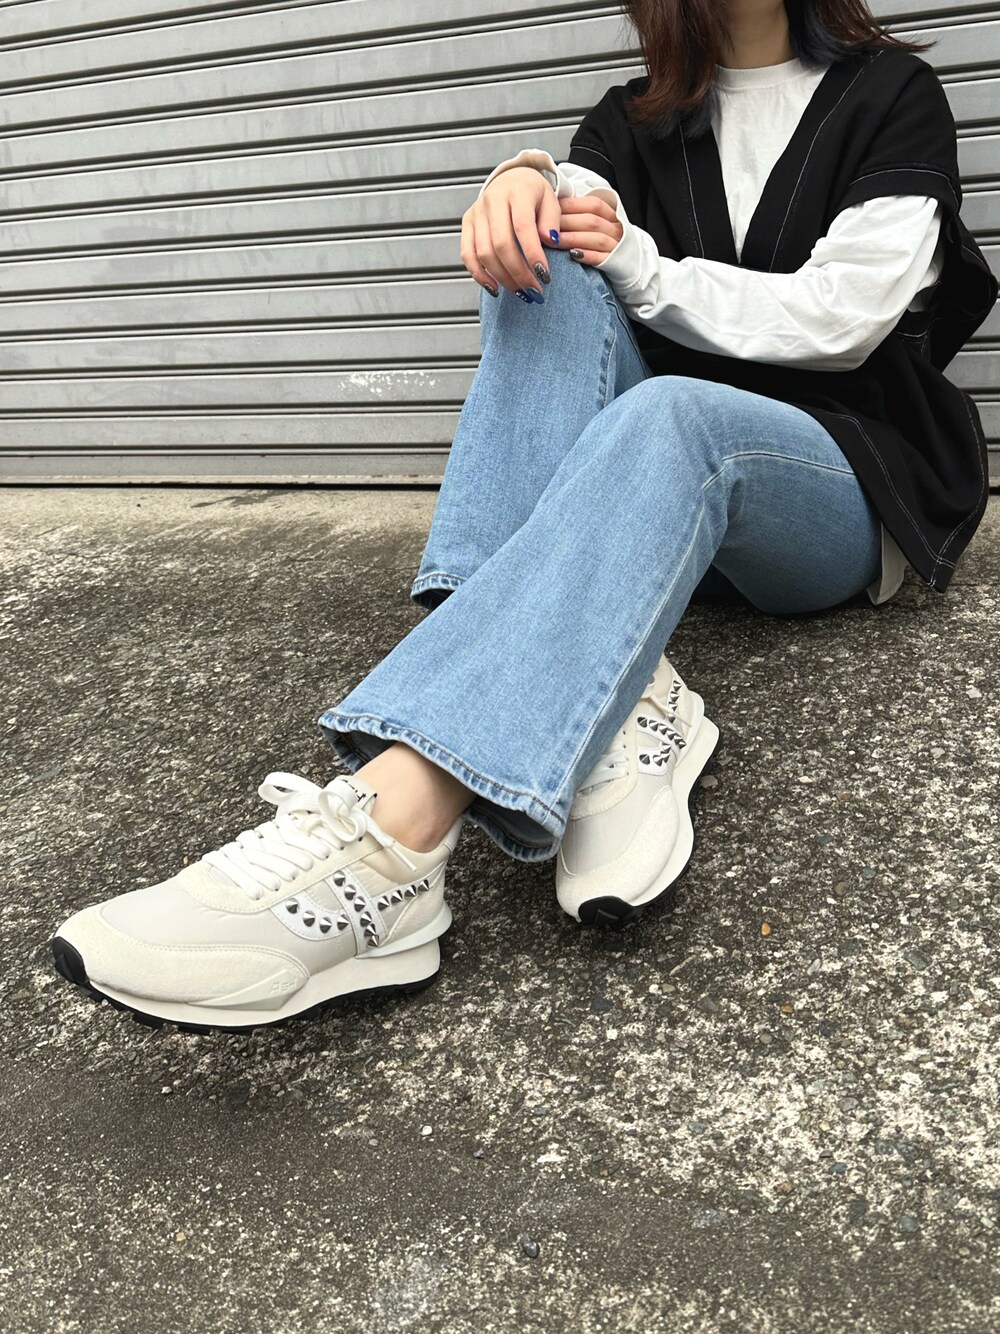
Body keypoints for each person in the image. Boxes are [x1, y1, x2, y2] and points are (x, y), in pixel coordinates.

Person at [50, 0, 997, 1033]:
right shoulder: (632, 119)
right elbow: (572, 200)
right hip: (647, 518)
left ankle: (393, 836)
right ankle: (614, 705)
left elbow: (845, 318)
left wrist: (641, 266)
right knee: (537, 272)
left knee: (674, 412)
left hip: (832, 486)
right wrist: (524, 178)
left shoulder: (889, 94)